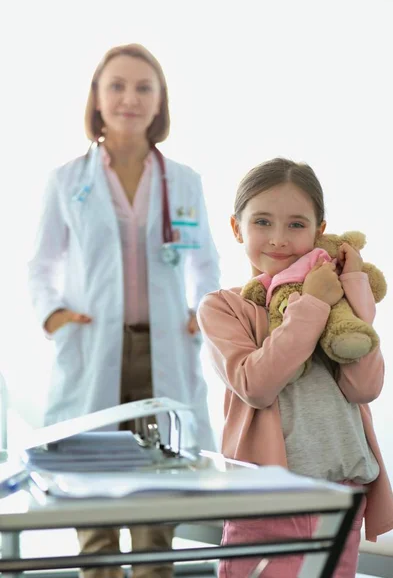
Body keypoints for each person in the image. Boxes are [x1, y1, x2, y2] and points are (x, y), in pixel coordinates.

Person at [28, 43, 220, 578]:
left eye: (143, 87)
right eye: (117, 86)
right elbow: (40, 265)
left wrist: (198, 312)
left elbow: (206, 264)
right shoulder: (67, 180)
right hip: (93, 350)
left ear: (160, 102)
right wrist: (55, 316)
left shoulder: (184, 181)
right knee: (93, 497)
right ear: (96, 97)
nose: (130, 98)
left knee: (158, 502)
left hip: (162, 351)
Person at [197, 158, 393, 577]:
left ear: (321, 231)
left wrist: (352, 293)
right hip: (269, 502)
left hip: (342, 495)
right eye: (263, 222)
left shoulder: (335, 298)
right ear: (237, 228)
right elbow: (256, 383)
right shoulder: (224, 307)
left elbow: (365, 386)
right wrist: (313, 305)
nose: (279, 239)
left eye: (297, 225)